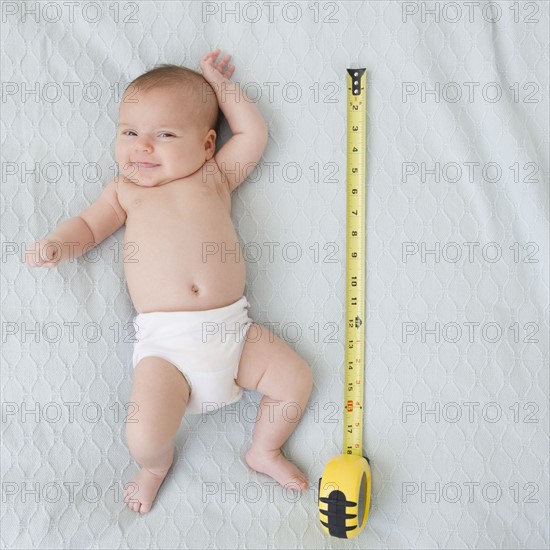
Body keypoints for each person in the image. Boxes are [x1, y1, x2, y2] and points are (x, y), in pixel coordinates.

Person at [24, 49, 313, 514]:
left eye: (164, 135)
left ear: (205, 145)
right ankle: (155, 467)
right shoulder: (124, 193)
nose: (142, 147)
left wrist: (218, 85)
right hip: (166, 349)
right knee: (142, 432)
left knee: (296, 379)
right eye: (130, 133)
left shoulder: (214, 176)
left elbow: (252, 132)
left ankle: (264, 450)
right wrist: (59, 243)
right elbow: (89, 226)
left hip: (234, 332)